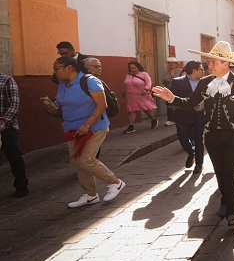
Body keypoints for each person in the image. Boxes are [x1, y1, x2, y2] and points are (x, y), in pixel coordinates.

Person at [153, 41, 234, 227]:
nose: (208, 65)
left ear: (225, 63)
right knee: (220, 172)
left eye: (213, 62)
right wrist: (172, 98)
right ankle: (226, 200)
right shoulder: (205, 82)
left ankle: (232, 211)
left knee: (231, 172)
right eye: (208, 62)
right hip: (212, 135)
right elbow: (191, 102)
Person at [45, 57, 125, 208]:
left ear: (69, 68)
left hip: (95, 127)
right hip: (72, 129)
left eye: (56, 68)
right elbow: (63, 103)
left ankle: (115, 182)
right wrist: (53, 108)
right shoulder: (62, 84)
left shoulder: (90, 81)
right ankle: (90, 194)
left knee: (86, 160)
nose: (54, 72)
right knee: (76, 162)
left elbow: (102, 105)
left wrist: (86, 125)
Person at [168, 61, 206, 173]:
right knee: (183, 138)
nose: (203, 71)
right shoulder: (178, 82)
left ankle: (199, 164)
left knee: (199, 139)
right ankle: (191, 152)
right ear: (194, 70)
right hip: (183, 115)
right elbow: (172, 100)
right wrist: (190, 106)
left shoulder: (206, 82)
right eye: (201, 69)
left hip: (200, 115)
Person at [0, 72, 29, 198]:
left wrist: (2, 124)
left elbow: (14, 105)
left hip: (7, 127)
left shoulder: (6, 80)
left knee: (14, 157)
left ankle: (21, 185)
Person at [122, 61, 158, 134]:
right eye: (130, 68)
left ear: (138, 67)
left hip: (142, 94)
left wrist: (146, 89)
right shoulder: (128, 75)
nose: (132, 69)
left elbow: (149, 82)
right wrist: (123, 91)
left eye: (134, 68)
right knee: (131, 110)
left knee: (146, 109)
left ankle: (153, 119)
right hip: (130, 95)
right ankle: (131, 126)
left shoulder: (144, 74)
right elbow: (126, 84)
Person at [162, 57, 181, 126]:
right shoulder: (166, 72)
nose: (171, 64)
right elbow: (164, 80)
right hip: (169, 90)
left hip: (178, 90)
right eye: (169, 63)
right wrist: (165, 82)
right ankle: (170, 119)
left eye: (173, 63)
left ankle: (178, 118)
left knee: (178, 104)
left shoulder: (180, 71)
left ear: (176, 64)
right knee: (169, 105)